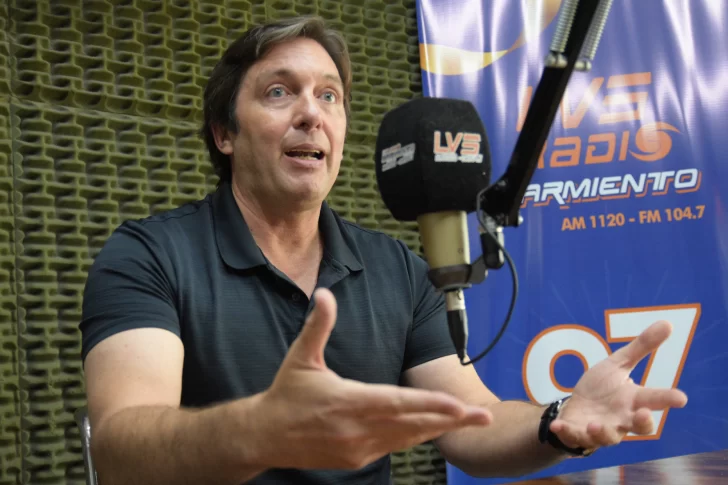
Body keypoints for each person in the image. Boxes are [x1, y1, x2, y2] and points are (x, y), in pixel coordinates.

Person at [79, 15, 688, 485]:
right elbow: (121, 448)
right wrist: (258, 430)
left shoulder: (398, 269)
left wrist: (558, 420)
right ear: (224, 134)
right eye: (279, 92)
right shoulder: (148, 255)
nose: (311, 114)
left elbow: (470, 421)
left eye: (329, 96)